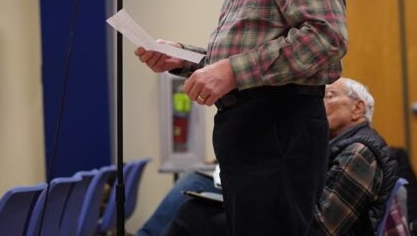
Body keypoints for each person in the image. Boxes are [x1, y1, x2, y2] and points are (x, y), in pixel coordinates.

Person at [135, 0, 348, 235]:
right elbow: (247, 52)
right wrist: (184, 59)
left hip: (278, 126)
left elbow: (325, 38)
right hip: (254, 130)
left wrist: (232, 71)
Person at [164, 77, 402, 236]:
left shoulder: (360, 152)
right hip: (291, 224)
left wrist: (262, 203)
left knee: (195, 215)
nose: (319, 103)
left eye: (328, 96)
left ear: (358, 109)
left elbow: (321, 229)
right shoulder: (336, 145)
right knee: (198, 200)